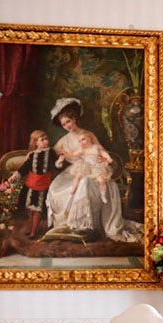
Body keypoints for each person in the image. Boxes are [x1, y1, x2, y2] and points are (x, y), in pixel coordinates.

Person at [45, 97, 143, 243]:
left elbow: (100, 150)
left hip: (92, 169)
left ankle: (87, 224)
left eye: (69, 121)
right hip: (74, 171)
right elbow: (56, 162)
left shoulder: (88, 134)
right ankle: (72, 224)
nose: (67, 126)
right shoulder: (63, 141)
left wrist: (105, 159)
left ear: (75, 119)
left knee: (86, 182)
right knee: (57, 188)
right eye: (64, 124)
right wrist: (59, 161)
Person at [8, 130, 62, 239]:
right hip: (30, 184)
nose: (45, 141)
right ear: (35, 143)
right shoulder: (32, 155)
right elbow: (25, 168)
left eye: (46, 139)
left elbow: (55, 165)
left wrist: (59, 161)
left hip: (43, 184)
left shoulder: (50, 152)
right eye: (42, 140)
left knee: (38, 209)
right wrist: (15, 175)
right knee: (30, 209)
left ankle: (34, 232)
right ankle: (29, 228)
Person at [67, 130, 114, 203]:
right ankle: (72, 191)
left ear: (90, 138)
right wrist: (66, 154)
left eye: (83, 139)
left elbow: (103, 153)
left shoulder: (96, 147)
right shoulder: (82, 149)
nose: (81, 142)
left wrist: (108, 158)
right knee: (78, 176)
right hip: (86, 166)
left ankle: (103, 195)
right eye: (79, 141)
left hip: (97, 166)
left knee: (101, 180)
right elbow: (73, 154)